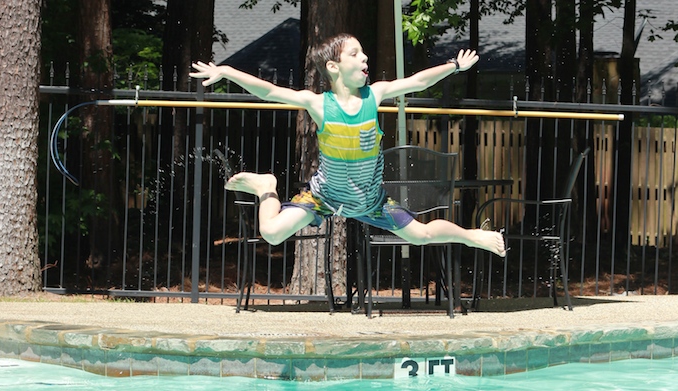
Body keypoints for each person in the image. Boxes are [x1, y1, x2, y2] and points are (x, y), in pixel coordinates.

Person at [190, 33, 506, 257]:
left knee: (420, 236)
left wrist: (453, 65)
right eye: (354, 54)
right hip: (323, 196)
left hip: (371, 201)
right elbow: (270, 92)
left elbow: (418, 82)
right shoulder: (316, 103)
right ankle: (265, 187)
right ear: (333, 67)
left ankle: (472, 237)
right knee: (272, 234)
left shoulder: (376, 94)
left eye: (363, 52)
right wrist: (227, 71)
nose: (364, 57)